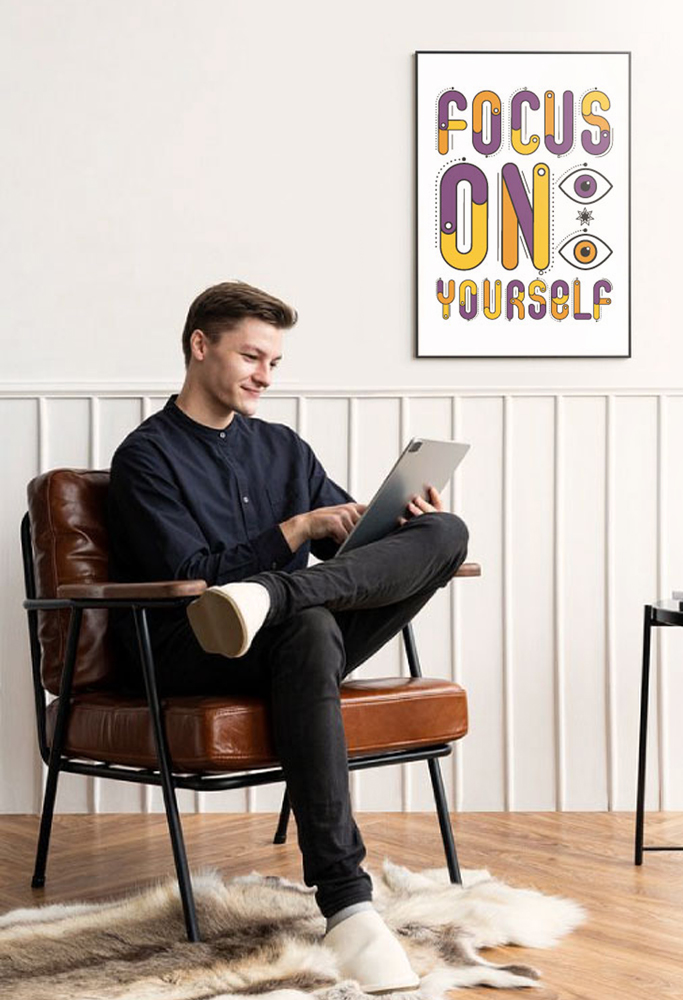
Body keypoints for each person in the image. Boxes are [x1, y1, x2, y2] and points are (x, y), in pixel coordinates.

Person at [107, 280, 469, 993]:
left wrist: (400, 526)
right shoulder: (145, 457)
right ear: (200, 346)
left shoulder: (283, 448)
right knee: (306, 624)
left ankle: (275, 596)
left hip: (291, 632)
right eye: (252, 357)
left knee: (446, 533)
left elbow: (349, 557)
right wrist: (297, 528)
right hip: (192, 648)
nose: (265, 376)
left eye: (274, 362)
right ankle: (348, 904)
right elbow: (189, 577)